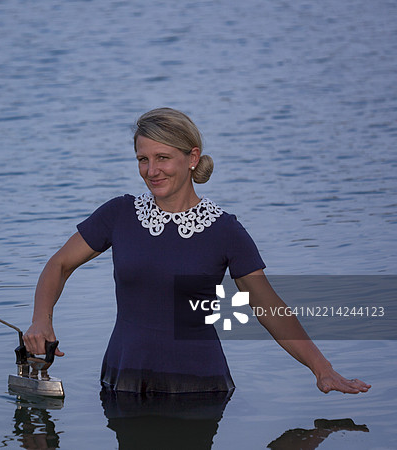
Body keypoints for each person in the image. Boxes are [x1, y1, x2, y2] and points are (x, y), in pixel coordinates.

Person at [23, 107, 371, 395]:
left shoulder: (225, 230)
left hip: (198, 387)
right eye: (142, 159)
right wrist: (42, 319)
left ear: (192, 158)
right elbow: (60, 264)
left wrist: (321, 368)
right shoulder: (119, 214)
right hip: (122, 381)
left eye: (163, 158)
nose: (151, 170)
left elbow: (267, 305)